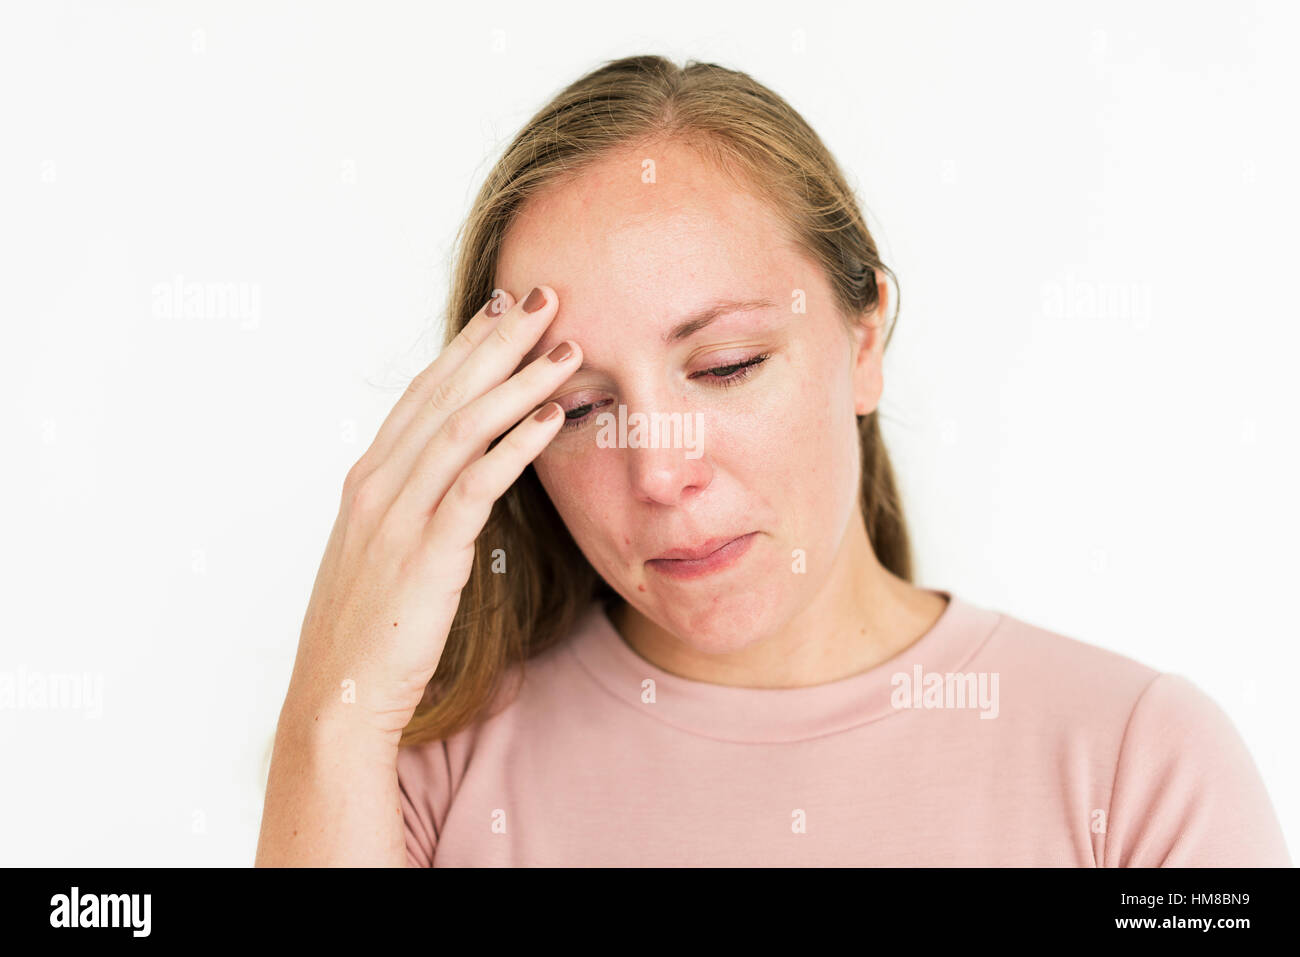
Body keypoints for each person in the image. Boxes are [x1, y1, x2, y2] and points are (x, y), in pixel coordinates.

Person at [255, 55, 1290, 867]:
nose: (659, 474)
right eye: (579, 409)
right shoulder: (419, 782)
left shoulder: (1139, 766)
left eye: (727, 365)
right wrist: (332, 718)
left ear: (864, 341)